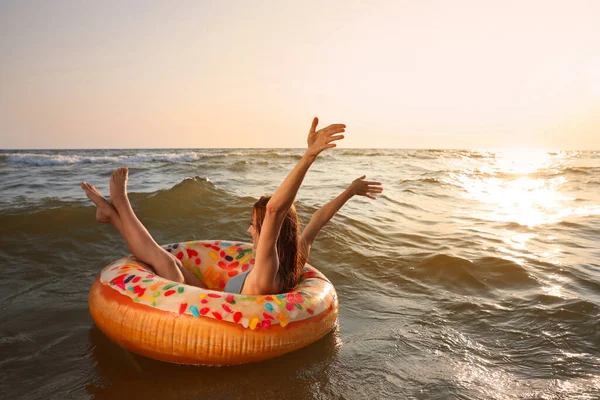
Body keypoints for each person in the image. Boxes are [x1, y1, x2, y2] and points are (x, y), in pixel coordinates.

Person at [81, 117, 383, 295]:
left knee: (164, 261)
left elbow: (277, 210)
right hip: (213, 295)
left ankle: (121, 205)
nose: (250, 228)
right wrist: (350, 191)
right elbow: (318, 220)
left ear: (269, 231)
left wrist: (308, 157)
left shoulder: (269, 264)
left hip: (209, 308)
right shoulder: (294, 257)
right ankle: (111, 214)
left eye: (254, 223)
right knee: (167, 261)